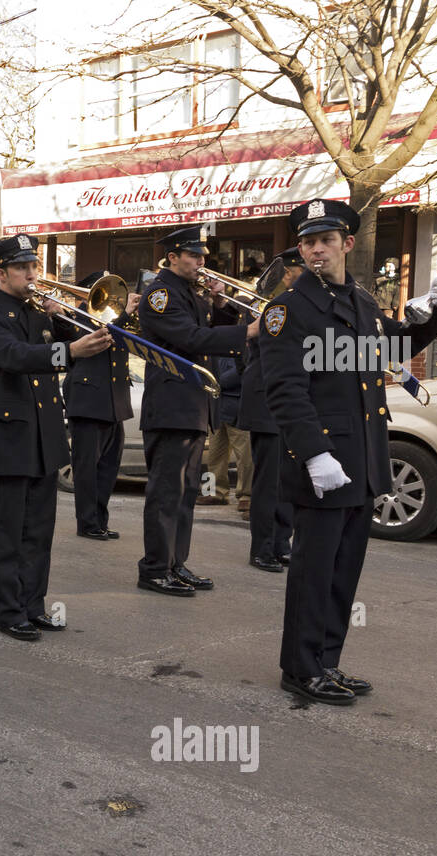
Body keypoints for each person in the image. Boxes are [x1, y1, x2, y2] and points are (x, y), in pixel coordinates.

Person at [261, 198, 437, 706]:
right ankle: (301, 669)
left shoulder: (362, 303)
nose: (315, 249)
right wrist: (313, 454)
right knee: (314, 570)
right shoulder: (289, 309)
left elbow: (394, 347)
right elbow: (285, 389)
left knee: (344, 568)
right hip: (325, 460)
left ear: (347, 244)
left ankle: (327, 660)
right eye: (307, 242)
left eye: (325, 240)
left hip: (363, 457)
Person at [0, 234, 112, 640]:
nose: (33, 274)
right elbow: (13, 357)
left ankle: (33, 604)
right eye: (22, 268)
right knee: (9, 531)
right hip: (8, 437)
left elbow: (65, 342)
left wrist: (62, 318)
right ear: (0, 274)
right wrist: (69, 351)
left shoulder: (37, 312)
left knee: (39, 531)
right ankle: (9, 611)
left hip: (44, 435)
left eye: (34, 266)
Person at [137, 226, 257, 597]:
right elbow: (190, 339)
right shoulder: (160, 293)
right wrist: (249, 331)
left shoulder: (189, 292)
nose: (202, 262)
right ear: (172, 257)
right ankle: (154, 569)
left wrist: (221, 307)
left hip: (193, 404)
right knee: (166, 492)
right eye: (194, 255)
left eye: (203, 256)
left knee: (186, 490)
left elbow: (208, 335)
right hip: (171, 405)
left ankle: (175, 563)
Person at [62, 270, 138, 540]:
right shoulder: (82, 319)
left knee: (108, 467)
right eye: (104, 292)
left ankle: (100, 520)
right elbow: (105, 336)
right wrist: (126, 313)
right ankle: (87, 523)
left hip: (114, 400)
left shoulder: (112, 316)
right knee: (86, 467)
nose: (113, 299)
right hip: (88, 400)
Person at [239, 248, 300, 572]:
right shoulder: (273, 308)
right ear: (289, 272)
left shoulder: (293, 305)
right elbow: (275, 348)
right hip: (267, 402)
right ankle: (262, 548)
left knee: (287, 479)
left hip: (287, 402)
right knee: (268, 482)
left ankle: (280, 543)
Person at [198, 354, 251, 513]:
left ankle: (246, 496)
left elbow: (244, 370)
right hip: (217, 407)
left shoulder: (244, 340)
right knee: (214, 455)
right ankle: (215, 492)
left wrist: (215, 380)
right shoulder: (217, 343)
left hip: (238, 407)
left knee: (245, 457)